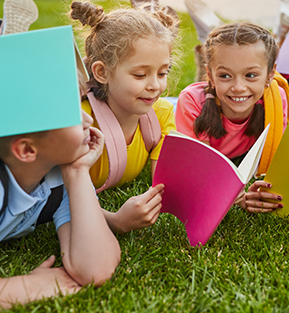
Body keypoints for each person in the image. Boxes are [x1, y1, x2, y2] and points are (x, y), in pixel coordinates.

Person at [0, 28, 121, 309]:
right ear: (27, 150)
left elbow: (96, 269)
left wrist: (78, 174)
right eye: (69, 111)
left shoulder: (59, 174)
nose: (87, 118)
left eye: (79, 101)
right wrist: (21, 287)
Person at [68, 1, 179, 232]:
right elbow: (55, 198)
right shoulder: (82, 121)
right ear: (102, 72)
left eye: (162, 72)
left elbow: (168, 184)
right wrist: (115, 221)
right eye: (140, 75)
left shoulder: (161, 113)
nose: (155, 85)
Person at [175, 22, 289, 214]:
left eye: (251, 75)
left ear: (270, 75)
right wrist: (234, 193)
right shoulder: (191, 102)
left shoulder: (277, 98)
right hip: (202, 112)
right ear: (210, 75)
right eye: (225, 75)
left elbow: (279, 161)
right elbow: (197, 170)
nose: (238, 87)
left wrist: (259, 192)